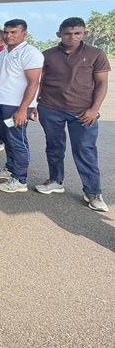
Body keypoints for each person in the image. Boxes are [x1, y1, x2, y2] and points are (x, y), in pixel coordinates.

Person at [35, 17, 110, 211]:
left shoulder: (95, 54)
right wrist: (35, 104)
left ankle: (93, 192)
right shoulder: (47, 55)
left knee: (85, 150)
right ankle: (55, 181)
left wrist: (94, 109)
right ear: (59, 34)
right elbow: (40, 81)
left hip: (83, 111)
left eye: (77, 33)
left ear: (85, 33)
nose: (72, 37)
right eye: (68, 33)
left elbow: (102, 83)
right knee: (54, 146)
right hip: (50, 108)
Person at [0, 19, 43, 193]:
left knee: (17, 140)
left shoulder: (30, 53)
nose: (8, 35)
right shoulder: (3, 53)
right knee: (6, 137)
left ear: (24, 34)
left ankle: (20, 179)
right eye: (6, 32)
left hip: (16, 108)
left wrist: (24, 109)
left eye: (13, 32)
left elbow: (33, 83)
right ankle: (10, 168)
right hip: (1, 104)